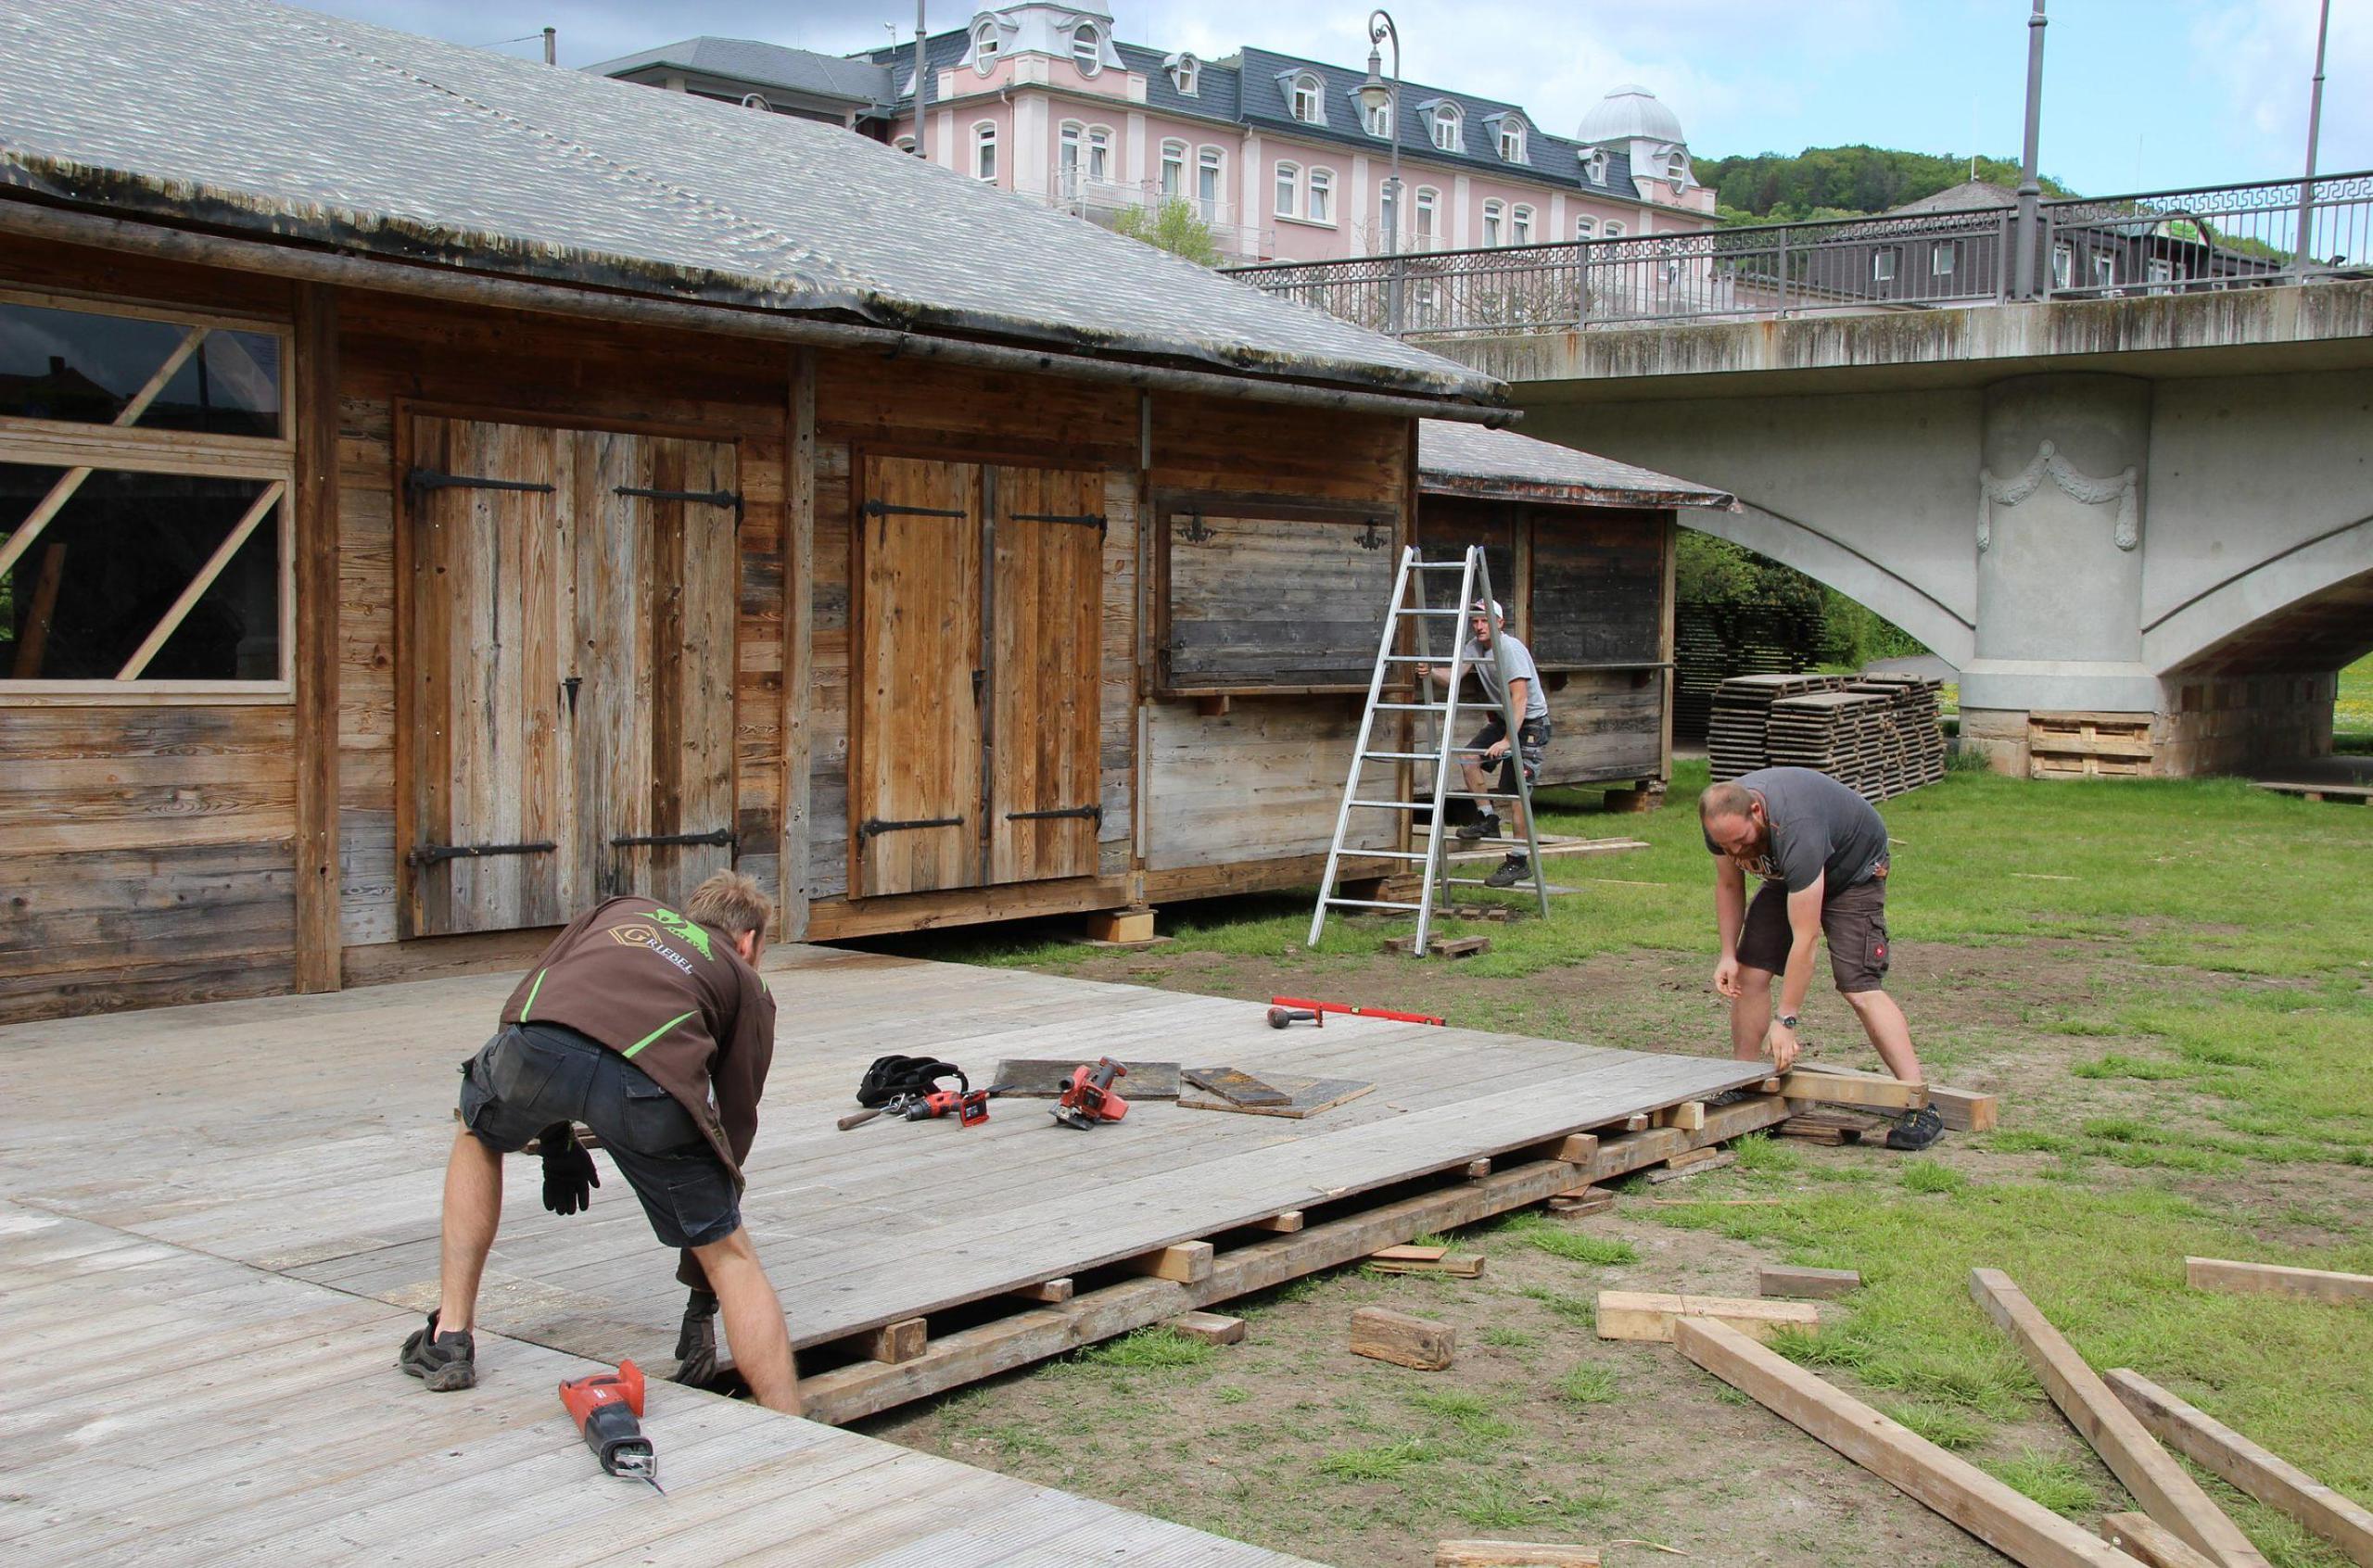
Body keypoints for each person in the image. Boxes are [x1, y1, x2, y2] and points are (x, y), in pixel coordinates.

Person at [398, 870, 803, 1412]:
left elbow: (534, 997)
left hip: (538, 1045)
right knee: (732, 1254)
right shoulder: (745, 982)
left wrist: (552, 1132)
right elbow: (733, 1123)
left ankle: (449, 1337)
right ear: (749, 943)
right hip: (648, 1084)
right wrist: (701, 1290)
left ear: (689, 918)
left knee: (479, 1130)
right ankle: (788, 1418)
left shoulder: (623, 911)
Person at [1699, 767, 1943, 1151]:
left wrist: (1787, 1019)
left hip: (1854, 873)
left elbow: (1806, 939)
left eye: (1742, 842)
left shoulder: (1796, 828)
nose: (1736, 853)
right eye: (1725, 845)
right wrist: (1728, 953)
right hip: (1789, 878)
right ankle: (1743, 1084)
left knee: (1858, 986)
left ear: (1758, 812)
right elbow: (1729, 883)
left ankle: (1918, 1102)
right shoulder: (1722, 825)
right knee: (1749, 972)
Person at [1415, 599, 1550, 891]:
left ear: (1499, 623)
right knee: (1467, 758)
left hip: (1530, 725)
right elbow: (1453, 676)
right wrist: (1431, 671)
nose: (1479, 626)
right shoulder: (1474, 647)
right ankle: (1488, 819)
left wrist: (1506, 741)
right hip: (1505, 720)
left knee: (1515, 796)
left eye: (1485, 620)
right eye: (1475, 621)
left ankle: (1518, 860)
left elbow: (1520, 699)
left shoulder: (1509, 649)